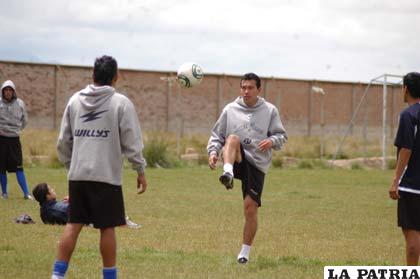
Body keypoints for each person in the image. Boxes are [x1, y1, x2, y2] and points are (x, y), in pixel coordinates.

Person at [51, 55, 148, 279]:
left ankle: (57, 275)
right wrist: (140, 170)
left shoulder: (74, 101)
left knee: (73, 224)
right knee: (107, 228)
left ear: (92, 75)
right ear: (116, 77)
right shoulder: (121, 103)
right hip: (106, 178)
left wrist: (72, 165)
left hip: (78, 176)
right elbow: (132, 142)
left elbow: (62, 142)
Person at [207, 72, 287, 264]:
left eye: (250, 87)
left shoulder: (270, 110)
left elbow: (282, 136)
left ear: (259, 90)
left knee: (250, 209)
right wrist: (212, 152)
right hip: (236, 158)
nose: (246, 91)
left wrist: (271, 141)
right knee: (232, 138)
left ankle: (244, 253)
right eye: (243, 87)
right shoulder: (230, 109)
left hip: (257, 163)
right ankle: (227, 172)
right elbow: (217, 135)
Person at [389, 72, 420, 265]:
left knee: (412, 234)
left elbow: (406, 149)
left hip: (412, 186)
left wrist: (395, 181)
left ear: (406, 89)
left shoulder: (409, 115)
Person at [32, 182, 141, 228]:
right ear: (47, 196)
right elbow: (74, 211)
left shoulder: (44, 211)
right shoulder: (56, 209)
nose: (53, 189)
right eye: (50, 189)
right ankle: (124, 221)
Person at [0, 80, 32, 200]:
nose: (8, 92)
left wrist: (16, 130)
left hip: (14, 140)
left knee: (19, 167)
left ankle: (26, 194)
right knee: (1, 168)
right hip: (1, 140)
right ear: (3, 91)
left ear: (13, 91)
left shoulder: (20, 103)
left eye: (10, 90)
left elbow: (25, 121)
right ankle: (4, 193)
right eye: (5, 90)